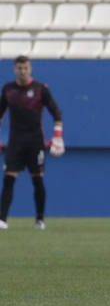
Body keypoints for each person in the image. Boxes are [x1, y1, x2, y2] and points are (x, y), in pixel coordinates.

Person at [0, 55, 65, 230]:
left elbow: (56, 113)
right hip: (15, 142)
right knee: (8, 179)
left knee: (37, 180)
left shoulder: (40, 89)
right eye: (19, 68)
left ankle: (40, 220)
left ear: (30, 69)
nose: (22, 71)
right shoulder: (8, 89)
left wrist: (57, 136)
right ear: (14, 69)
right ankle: (2, 220)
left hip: (35, 142)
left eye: (25, 68)